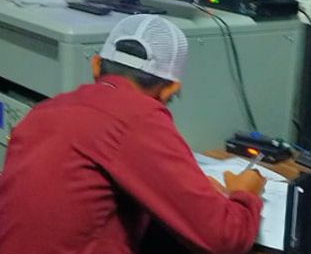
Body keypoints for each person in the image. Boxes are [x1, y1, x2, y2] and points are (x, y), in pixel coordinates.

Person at [0, 15, 266, 254]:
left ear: (96, 65)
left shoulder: (43, 112)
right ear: (170, 88)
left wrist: (189, 189)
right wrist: (245, 194)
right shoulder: (139, 116)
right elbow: (225, 238)